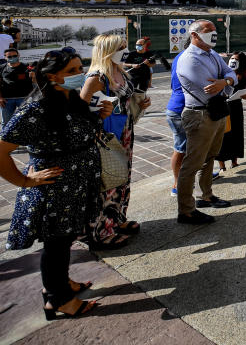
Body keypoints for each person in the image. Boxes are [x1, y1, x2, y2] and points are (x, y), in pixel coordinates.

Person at [0, 51, 111, 319]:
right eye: (73, 71)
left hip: (77, 184)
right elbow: (1, 149)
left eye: (79, 67)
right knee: (56, 245)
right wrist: (24, 180)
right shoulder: (35, 109)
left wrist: (100, 115)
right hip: (56, 189)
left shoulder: (71, 98)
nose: (80, 74)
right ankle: (58, 300)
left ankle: (60, 284)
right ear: (52, 76)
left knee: (66, 240)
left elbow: (74, 133)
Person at [80, 34, 150, 249]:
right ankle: (100, 232)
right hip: (107, 135)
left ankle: (116, 219)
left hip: (124, 131)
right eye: (121, 47)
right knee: (107, 182)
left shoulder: (118, 70)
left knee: (121, 177)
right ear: (108, 50)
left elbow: (124, 98)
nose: (125, 49)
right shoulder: (97, 77)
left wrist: (139, 103)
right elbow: (81, 110)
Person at [175, 20, 237, 224]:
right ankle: (185, 210)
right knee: (192, 163)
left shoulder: (211, 54)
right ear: (194, 35)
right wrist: (225, 82)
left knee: (210, 156)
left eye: (214, 30)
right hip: (200, 115)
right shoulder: (189, 59)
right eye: (208, 30)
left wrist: (225, 81)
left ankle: (206, 195)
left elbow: (230, 74)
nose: (214, 33)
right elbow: (207, 87)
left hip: (215, 112)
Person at [217, 52, 246, 172]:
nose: (233, 61)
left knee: (236, 133)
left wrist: (243, 93)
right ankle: (221, 165)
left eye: (236, 59)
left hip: (236, 106)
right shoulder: (223, 72)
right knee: (222, 135)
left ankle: (234, 161)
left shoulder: (245, 74)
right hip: (223, 106)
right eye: (231, 58)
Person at [167, 41, 188, 197]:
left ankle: (195, 176)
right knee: (180, 148)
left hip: (178, 106)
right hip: (180, 109)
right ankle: (176, 184)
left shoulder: (179, 58)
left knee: (189, 148)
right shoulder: (187, 57)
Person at [1, 47, 33, 124]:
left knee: (28, 121)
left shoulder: (27, 67)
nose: (13, 58)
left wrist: (34, 74)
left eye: (14, 56)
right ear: (5, 57)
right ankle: (5, 136)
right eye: (9, 57)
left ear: (18, 55)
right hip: (7, 100)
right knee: (6, 122)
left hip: (24, 99)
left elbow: (35, 80)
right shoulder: (1, 68)